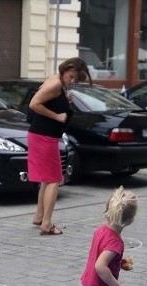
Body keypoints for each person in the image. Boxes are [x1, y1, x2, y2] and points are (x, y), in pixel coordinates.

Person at [28, 57, 90, 235]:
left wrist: (65, 101)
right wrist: (56, 116)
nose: (71, 81)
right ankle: (46, 224)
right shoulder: (55, 84)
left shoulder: (56, 81)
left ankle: (39, 216)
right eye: (71, 76)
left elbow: (48, 102)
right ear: (65, 69)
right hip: (44, 137)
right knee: (54, 179)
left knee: (47, 179)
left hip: (41, 135)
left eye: (75, 80)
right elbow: (34, 104)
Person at [78, 186, 138, 286]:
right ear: (131, 219)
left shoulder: (102, 229)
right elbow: (100, 265)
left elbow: (100, 256)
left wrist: (119, 263)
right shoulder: (115, 243)